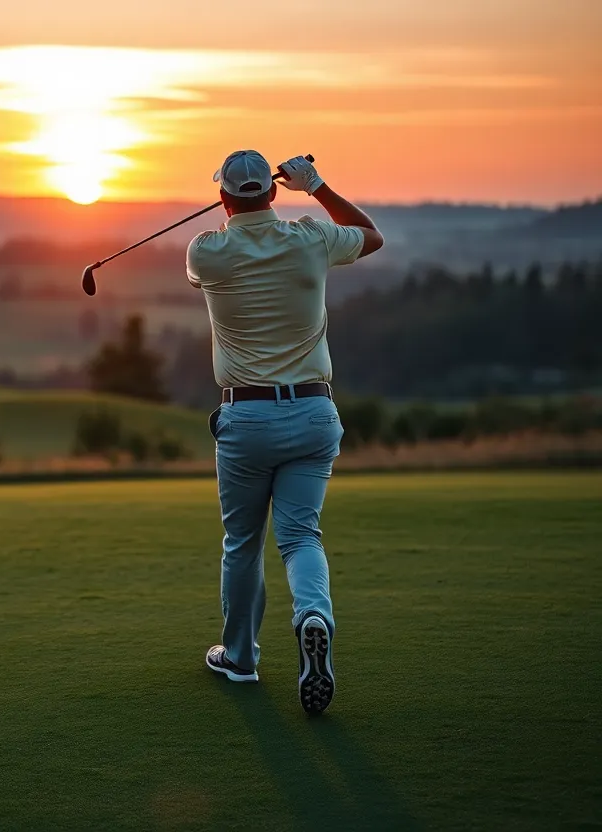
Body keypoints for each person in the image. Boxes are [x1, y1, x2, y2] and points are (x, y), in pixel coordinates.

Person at [187, 151, 383, 714]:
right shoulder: (311, 237)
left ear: (223, 197)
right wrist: (315, 185)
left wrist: (239, 210)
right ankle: (313, 615)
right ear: (274, 193)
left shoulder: (207, 251)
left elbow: (214, 247)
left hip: (245, 420)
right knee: (301, 536)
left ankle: (242, 659)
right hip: (313, 415)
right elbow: (369, 235)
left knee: (243, 542)